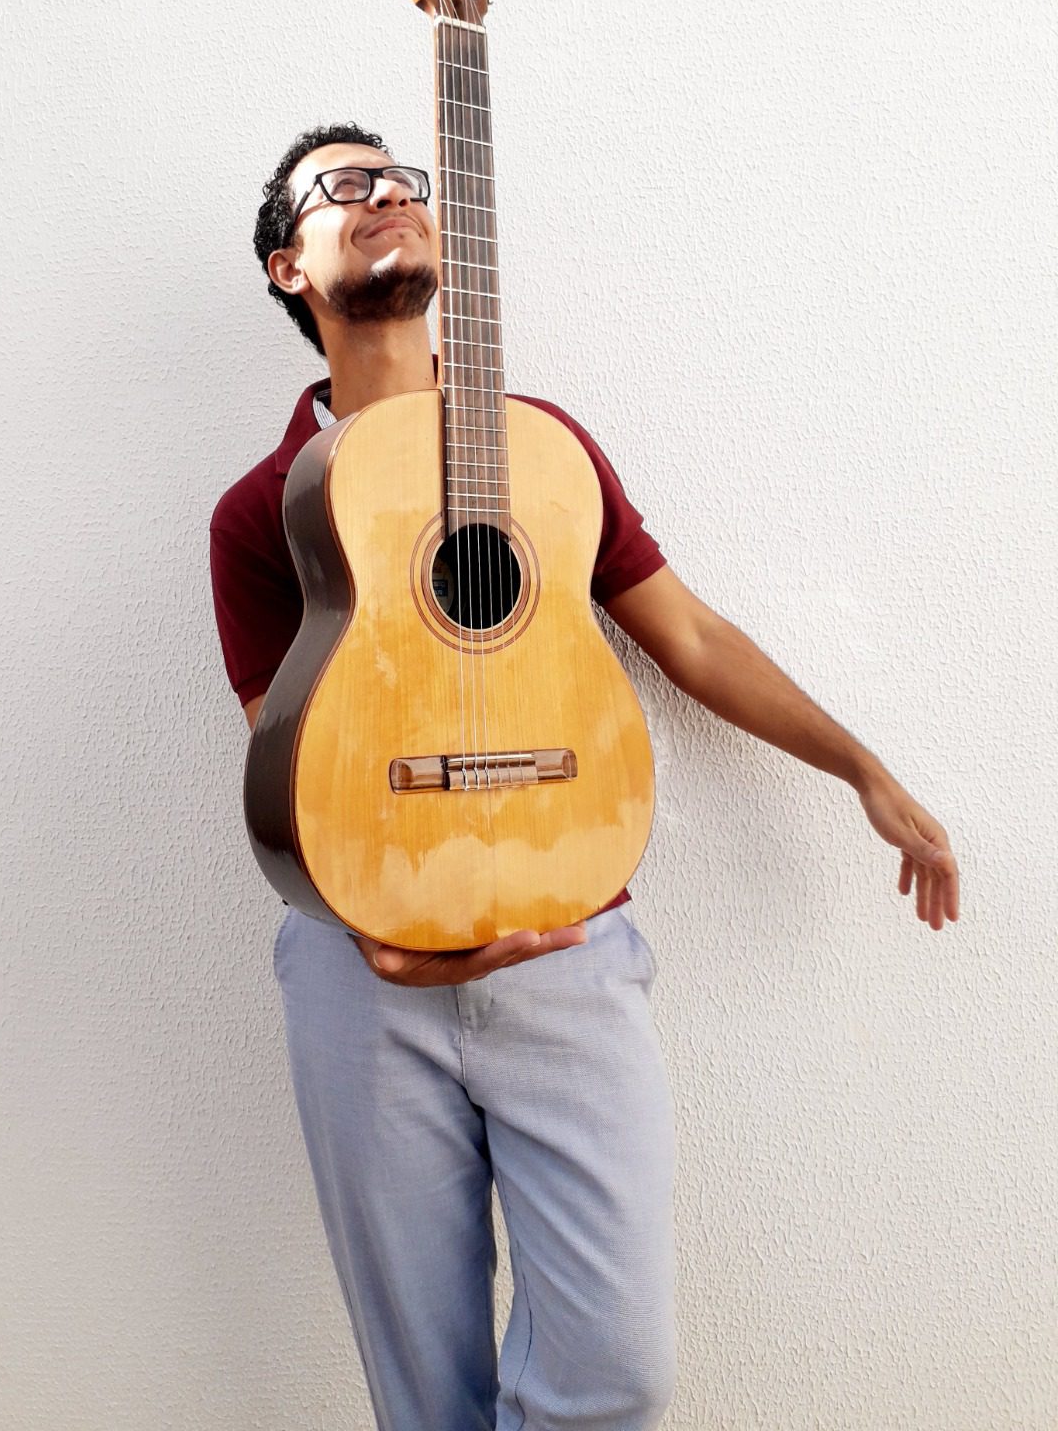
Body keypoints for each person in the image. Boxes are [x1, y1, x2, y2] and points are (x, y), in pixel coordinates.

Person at [209, 122, 960, 1431]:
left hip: (567, 934)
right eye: (343, 184)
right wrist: (373, 922)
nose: (386, 193)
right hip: (363, 968)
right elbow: (290, 750)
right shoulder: (262, 508)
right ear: (288, 266)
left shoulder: (543, 450)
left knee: (619, 1370)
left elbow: (690, 637)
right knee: (422, 1394)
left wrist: (859, 767)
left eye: (401, 177)